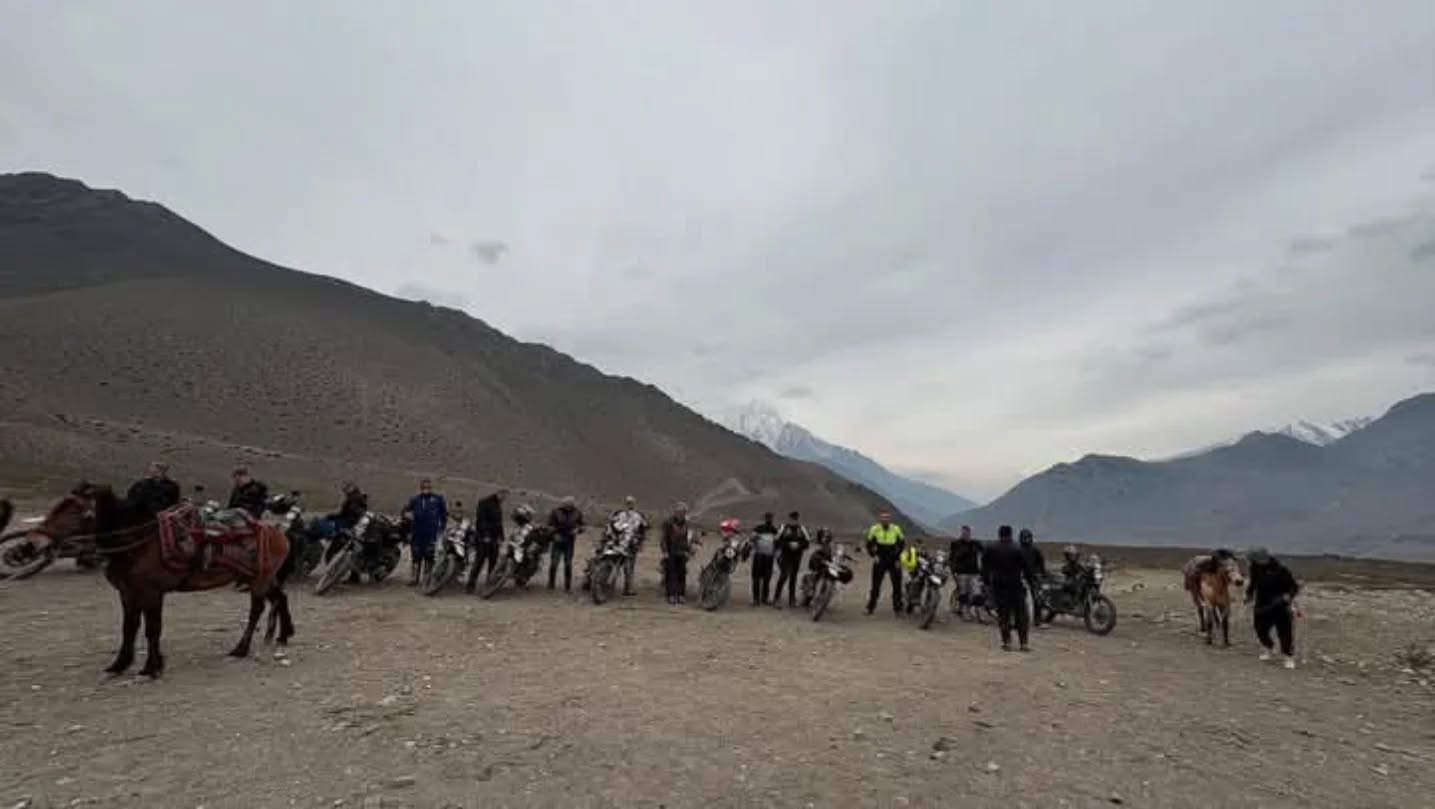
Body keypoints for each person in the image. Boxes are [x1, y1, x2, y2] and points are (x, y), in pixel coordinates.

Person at [982, 525, 1039, 651]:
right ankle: (1023, 643)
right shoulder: (1018, 549)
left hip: (999, 585)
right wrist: (1031, 581)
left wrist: (986, 582)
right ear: (1011, 534)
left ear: (999, 534)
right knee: (1021, 614)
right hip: (1015, 585)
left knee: (1003, 614)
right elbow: (1027, 568)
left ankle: (1007, 642)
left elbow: (985, 567)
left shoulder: (991, 548)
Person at [1245, 547, 1300, 669]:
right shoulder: (1255, 568)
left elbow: (1294, 587)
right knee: (1259, 628)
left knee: (1284, 632)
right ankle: (1268, 647)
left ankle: (1288, 656)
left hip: (1280, 605)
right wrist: (1249, 595)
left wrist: (1288, 596)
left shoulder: (1281, 570)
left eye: (1253, 560)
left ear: (1263, 559)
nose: (1251, 562)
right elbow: (1253, 583)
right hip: (1261, 604)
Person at [403, 478, 448, 585]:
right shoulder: (415, 499)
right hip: (417, 531)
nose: (426, 489)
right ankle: (414, 578)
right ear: (421, 488)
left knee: (429, 555)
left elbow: (444, 514)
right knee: (416, 555)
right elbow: (405, 511)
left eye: (428, 487)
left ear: (431, 488)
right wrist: (407, 516)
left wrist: (442, 528)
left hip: (431, 532)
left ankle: (426, 578)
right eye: (424, 487)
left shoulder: (438, 499)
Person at [466, 487, 508, 592]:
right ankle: (470, 585)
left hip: (494, 539)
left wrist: (502, 537)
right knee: (479, 562)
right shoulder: (485, 503)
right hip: (483, 538)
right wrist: (485, 535)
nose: (504, 497)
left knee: (493, 563)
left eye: (506, 496)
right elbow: (481, 520)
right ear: (498, 493)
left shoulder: (498, 505)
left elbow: (499, 523)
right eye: (503, 495)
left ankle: (489, 586)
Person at [865, 511, 906, 615]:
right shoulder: (875, 529)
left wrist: (898, 558)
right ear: (880, 518)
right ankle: (870, 608)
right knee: (875, 584)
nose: (885, 519)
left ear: (889, 519)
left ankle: (898, 609)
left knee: (897, 585)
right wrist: (873, 555)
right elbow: (869, 544)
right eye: (883, 517)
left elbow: (902, 544)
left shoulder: (896, 528)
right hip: (880, 558)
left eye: (887, 517)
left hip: (893, 558)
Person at [608, 496, 648, 596]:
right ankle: (610, 586)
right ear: (625, 503)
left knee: (629, 567)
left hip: (631, 544)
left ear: (634, 504)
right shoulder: (618, 513)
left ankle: (628, 588)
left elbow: (643, 528)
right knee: (614, 565)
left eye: (631, 502)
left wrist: (640, 541)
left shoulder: (639, 515)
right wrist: (611, 537)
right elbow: (611, 525)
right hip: (618, 542)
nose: (629, 504)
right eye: (628, 502)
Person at [772, 511, 810, 608]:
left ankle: (792, 599)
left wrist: (799, 545)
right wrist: (788, 545)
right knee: (784, 575)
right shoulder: (783, 528)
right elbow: (776, 541)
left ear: (798, 519)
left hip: (797, 555)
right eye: (792, 519)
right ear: (789, 519)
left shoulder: (802, 529)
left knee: (793, 576)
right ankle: (776, 598)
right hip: (785, 555)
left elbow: (807, 543)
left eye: (795, 519)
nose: (793, 521)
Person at [547, 496, 585, 592]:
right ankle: (551, 584)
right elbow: (550, 525)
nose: (568, 507)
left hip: (569, 541)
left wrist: (578, 530)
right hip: (557, 540)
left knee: (568, 564)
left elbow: (582, 525)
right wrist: (554, 535)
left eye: (570, 505)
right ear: (563, 504)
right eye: (566, 505)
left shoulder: (577, 512)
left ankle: (567, 587)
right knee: (554, 563)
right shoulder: (555, 512)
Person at [659, 502, 694, 604]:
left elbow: (686, 539)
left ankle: (681, 594)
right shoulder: (668, 522)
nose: (681, 514)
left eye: (684, 512)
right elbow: (664, 538)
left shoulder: (686, 524)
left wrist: (689, 549)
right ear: (676, 512)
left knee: (682, 574)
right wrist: (665, 551)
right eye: (680, 512)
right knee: (671, 574)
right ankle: (671, 595)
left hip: (682, 552)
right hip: (671, 551)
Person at [948, 526, 983, 618]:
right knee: (964, 592)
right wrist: (953, 570)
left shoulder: (976, 544)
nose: (965, 534)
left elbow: (984, 553)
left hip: (974, 572)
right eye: (964, 533)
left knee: (977, 592)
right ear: (961, 533)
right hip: (961, 572)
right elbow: (952, 558)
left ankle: (979, 613)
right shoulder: (956, 544)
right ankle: (965, 612)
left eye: (967, 533)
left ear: (970, 533)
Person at [747, 512, 779, 606]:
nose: (769, 519)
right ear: (765, 518)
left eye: (770, 518)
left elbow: (777, 543)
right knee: (756, 578)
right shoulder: (758, 528)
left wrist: (776, 553)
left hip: (769, 556)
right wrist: (754, 538)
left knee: (767, 578)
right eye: (768, 518)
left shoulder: (774, 530)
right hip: (759, 555)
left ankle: (765, 598)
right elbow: (751, 539)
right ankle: (756, 599)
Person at [1018, 528, 1048, 624]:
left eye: (1027, 538)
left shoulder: (1035, 550)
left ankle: (1037, 619)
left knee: (1037, 598)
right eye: (1024, 538)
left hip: (1032, 577)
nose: (1026, 540)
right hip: (1019, 577)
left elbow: (1041, 563)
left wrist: (1042, 574)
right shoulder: (1017, 550)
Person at [799, 527, 834, 606]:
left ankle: (824, 596)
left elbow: (835, 553)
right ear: (820, 536)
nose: (826, 538)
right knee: (811, 580)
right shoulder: (816, 546)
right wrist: (819, 559)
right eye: (824, 536)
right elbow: (811, 555)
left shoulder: (830, 546)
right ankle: (807, 597)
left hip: (827, 566)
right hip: (816, 566)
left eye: (827, 537)